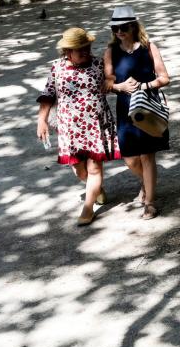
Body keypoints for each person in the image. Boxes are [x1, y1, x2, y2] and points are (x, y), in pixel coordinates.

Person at [36, 28, 120, 226]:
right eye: (79, 49)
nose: (85, 52)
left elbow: (113, 81)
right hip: (70, 129)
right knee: (78, 170)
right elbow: (48, 95)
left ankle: (88, 208)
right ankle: (96, 189)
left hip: (96, 126)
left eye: (87, 47)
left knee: (93, 169)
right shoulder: (57, 68)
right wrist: (42, 120)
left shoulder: (99, 64)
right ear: (67, 51)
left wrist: (112, 81)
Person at [104, 6, 171, 220]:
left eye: (123, 27)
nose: (119, 32)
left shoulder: (149, 47)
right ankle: (146, 182)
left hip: (147, 107)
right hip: (125, 109)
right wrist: (119, 87)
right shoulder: (110, 52)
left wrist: (144, 86)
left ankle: (150, 202)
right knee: (131, 159)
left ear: (134, 26)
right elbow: (106, 84)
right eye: (115, 28)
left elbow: (164, 78)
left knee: (147, 155)